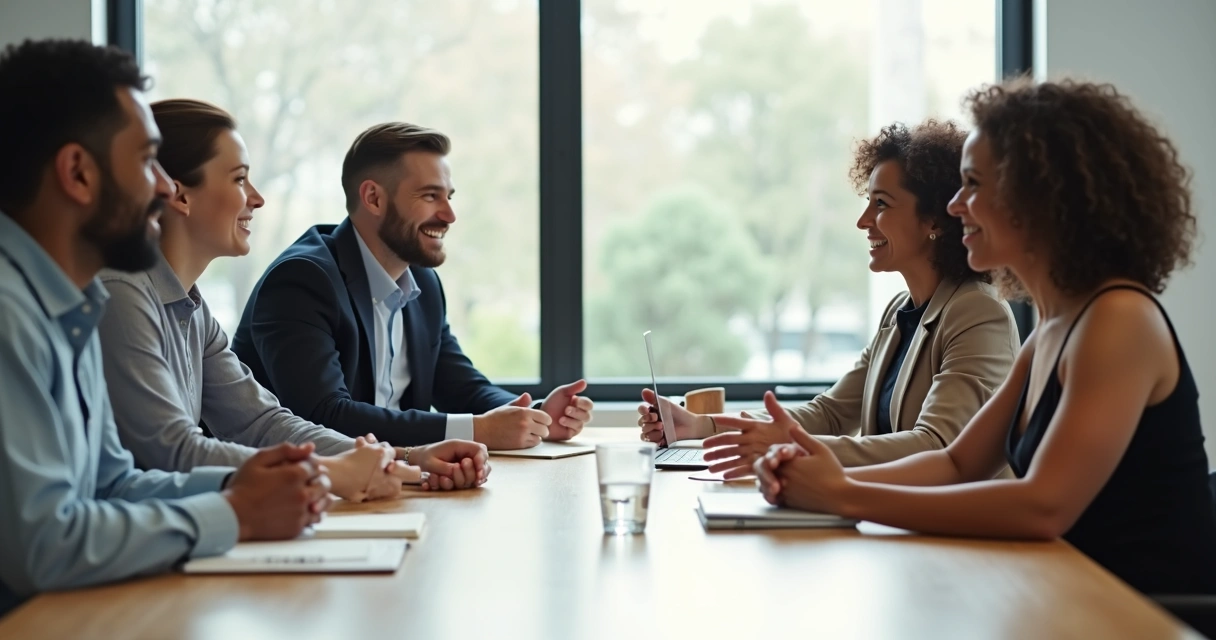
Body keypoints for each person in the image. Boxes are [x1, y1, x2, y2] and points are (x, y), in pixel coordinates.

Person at [750, 78, 1216, 595]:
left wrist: (846, 497)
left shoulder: (1119, 320)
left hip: (1145, 615)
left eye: (973, 184)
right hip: (1068, 597)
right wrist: (820, 480)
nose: (954, 206)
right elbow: (956, 463)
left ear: (1041, 198)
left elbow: (1043, 506)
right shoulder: (1054, 328)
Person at [0, 39, 330, 615]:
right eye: (146, 160)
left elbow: (115, 484)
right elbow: (42, 547)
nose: (161, 184)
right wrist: (235, 513)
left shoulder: (67, 307)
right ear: (78, 173)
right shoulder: (10, 315)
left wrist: (248, 486)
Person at [96, 99, 490, 496]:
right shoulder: (122, 294)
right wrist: (330, 471)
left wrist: (405, 456)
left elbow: (261, 422)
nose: (257, 198)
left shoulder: (191, 308)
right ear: (178, 195)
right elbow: (173, 450)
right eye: (239, 179)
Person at [637, 121, 1018, 477]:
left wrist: (790, 446)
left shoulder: (978, 313)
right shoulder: (900, 312)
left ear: (934, 220)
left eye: (881, 204)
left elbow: (936, 446)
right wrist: (703, 425)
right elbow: (831, 413)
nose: (863, 220)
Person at [230, 122, 594, 450]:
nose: (449, 216)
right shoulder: (302, 280)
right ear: (373, 198)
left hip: (390, 482)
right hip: (297, 498)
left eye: (448, 197)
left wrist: (539, 417)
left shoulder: (423, 283)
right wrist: (476, 431)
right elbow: (325, 416)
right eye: (430, 196)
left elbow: (460, 388)